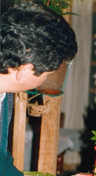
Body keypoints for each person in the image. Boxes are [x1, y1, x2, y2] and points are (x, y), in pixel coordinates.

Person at [0, 1, 77, 175]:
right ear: (26, 70)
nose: (46, 80)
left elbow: (2, 164)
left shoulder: (5, 96)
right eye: (47, 74)